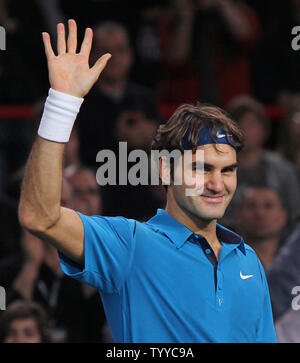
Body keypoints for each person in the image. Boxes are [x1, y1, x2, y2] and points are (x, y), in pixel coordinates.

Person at [18, 19, 277, 343]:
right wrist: (61, 105)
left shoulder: (247, 259)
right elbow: (39, 216)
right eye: (201, 169)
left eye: (228, 170)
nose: (217, 184)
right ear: (166, 171)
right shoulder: (129, 243)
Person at [235, 186, 288, 270]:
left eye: (268, 206)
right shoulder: (227, 260)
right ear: (239, 216)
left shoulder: (294, 258)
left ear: (282, 216)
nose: (260, 213)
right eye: (251, 206)